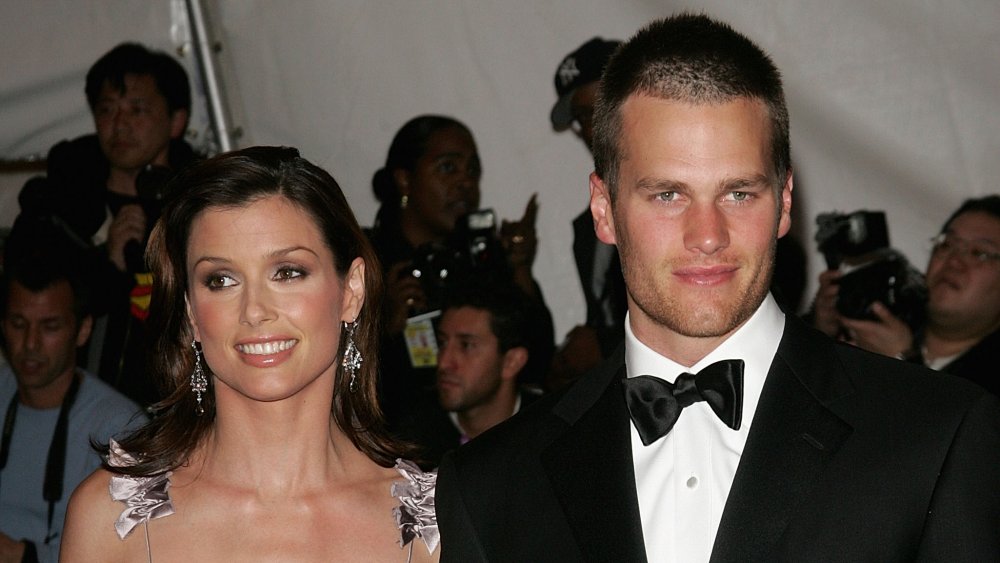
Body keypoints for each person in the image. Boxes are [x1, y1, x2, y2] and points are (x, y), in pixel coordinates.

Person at [436, 13, 1000, 561]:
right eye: (668, 195)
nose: (708, 236)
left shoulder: (935, 437)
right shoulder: (491, 484)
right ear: (604, 209)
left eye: (738, 193)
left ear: (783, 203)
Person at [60, 147, 439, 562]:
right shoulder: (112, 518)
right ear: (190, 312)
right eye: (221, 280)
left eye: (287, 273)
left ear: (351, 291)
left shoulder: (429, 524)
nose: (254, 310)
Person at [15, 42, 199, 407]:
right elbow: (28, 306)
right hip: (74, 411)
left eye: (137, 109)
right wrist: (108, 265)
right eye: (107, 110)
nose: (120, 124)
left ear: (176, 121)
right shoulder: (54, 207)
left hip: (172, 410)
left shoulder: (197, 208)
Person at [367, 115, 554, 425]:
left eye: (472, 171)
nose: (465, 183)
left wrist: (519, 269)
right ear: (404, 180)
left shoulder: (480, 256)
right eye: (448, 168)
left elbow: (536, 361)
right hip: (397, 440)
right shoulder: (368, 263)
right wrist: (381, 326)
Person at [0, 247, 144, 563]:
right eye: (18, 323)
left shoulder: (125, 427)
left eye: (50, 326)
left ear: (83, 330)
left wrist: (24, 556)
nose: (30, 344)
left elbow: (140, 548)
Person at [813, 195, 1000, 397]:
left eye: (979, 253)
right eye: (946, 244)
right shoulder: (887, 317)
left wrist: (901, 363)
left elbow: (958, 425)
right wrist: (818, 334)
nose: (954, 261)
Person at [548, 37, 629, 391]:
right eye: (581, 117)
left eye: (598, 109)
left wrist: (603, 346)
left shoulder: (686, 190)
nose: (589, 130)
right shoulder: (588, 224)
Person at [396, 284, 539, 468]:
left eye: (466, 346)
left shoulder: (547, 436)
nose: (444, 362)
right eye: (442, 343)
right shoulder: (411, 441)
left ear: (511, 362)